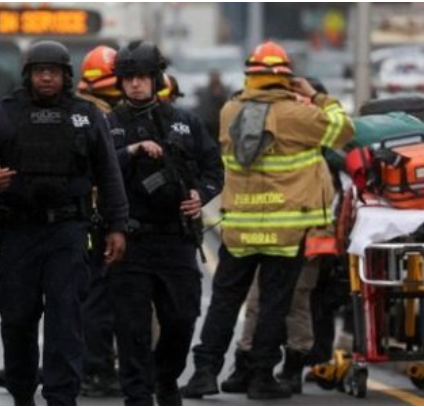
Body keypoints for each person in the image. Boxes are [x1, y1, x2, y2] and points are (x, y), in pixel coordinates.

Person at [180, 41, 353, 401]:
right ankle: (261, 377)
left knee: (225, 302)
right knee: (275, 304)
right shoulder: (297, 115)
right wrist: (316, 97)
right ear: (286, 78)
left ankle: (205, 372)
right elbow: (343, 131)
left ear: (251, 76)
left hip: (240, 229)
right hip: (285, 231)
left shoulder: (230, 110)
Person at [0, 40, 128, 406]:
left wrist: (117, 226)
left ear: (67, 76)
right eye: (40, 71)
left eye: (54, 71)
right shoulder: (2, 114)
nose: (47, 77)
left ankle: (61, 397)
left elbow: (109, 174)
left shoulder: (86, 115)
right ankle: (22, 391)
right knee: (17, 317)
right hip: (19, 232)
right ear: (28, 75)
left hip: (68, 232)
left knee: (65, 318)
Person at [106, 41, 224, 406]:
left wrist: (198, 196)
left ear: (156, 79)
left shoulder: (184, 121)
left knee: (182, 318)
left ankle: (166, 377)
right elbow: (94, 169)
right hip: (131, 240)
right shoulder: (108, 124)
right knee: (132, 328)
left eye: (142, 77)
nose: (136, 85)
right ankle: (138, 394)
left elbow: (213, 169)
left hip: (175, 239)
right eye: (128, 78)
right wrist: (132, 151)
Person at [194, 70, 230, 142]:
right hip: (207, 123)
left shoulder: (225, 90)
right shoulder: (203, 91)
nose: (214, 79)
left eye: (215, 77)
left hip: (220, 123)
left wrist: (220, 95)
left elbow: (227, 104)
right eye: (212, 77)